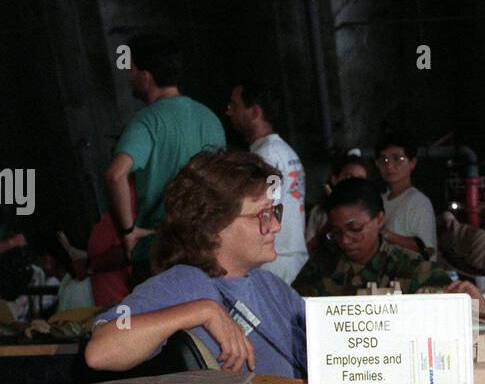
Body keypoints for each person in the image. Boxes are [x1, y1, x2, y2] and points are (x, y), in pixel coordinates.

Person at [86, 149, 306, 377]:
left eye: (274, 212)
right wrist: (203, 311)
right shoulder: (183, 283)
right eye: (262, 216)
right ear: (212, 226)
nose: (275, 227)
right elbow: (101, 348)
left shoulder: (271, 285)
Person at [105, 34, 225, 279]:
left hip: (159, 252)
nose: (129, 77)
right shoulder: (209, 118)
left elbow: (115, 175)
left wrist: (128, 231)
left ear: (146, 76)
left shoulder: (147, 120)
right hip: (207, 249)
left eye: (132, 71)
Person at [294, 179, 452, 297]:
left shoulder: (412, 268)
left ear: (379, 219)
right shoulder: (322, 264)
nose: (345, 241)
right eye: (336, 232)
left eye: (355, 229)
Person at [226, 78, 308, 284]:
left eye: (234, 105)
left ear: (255, 112)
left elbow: (265, 206)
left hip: (276, 261)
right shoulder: (283, 150)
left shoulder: (266, 157)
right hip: (288, 256)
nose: (229, 112)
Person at [375, 130, 438, 256]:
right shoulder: (378, 200)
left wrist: (385, 234)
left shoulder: (418, 202)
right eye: (384, 160)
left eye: (397, 159)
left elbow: (427, 250)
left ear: (412, 163)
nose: (389, 166)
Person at [305, 151, 370, 251]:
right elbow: (309, 248)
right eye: (348, 177)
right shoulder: (319, 212)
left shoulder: (370, 211)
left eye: (360, 179)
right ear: (335, 179)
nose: (353, 183)